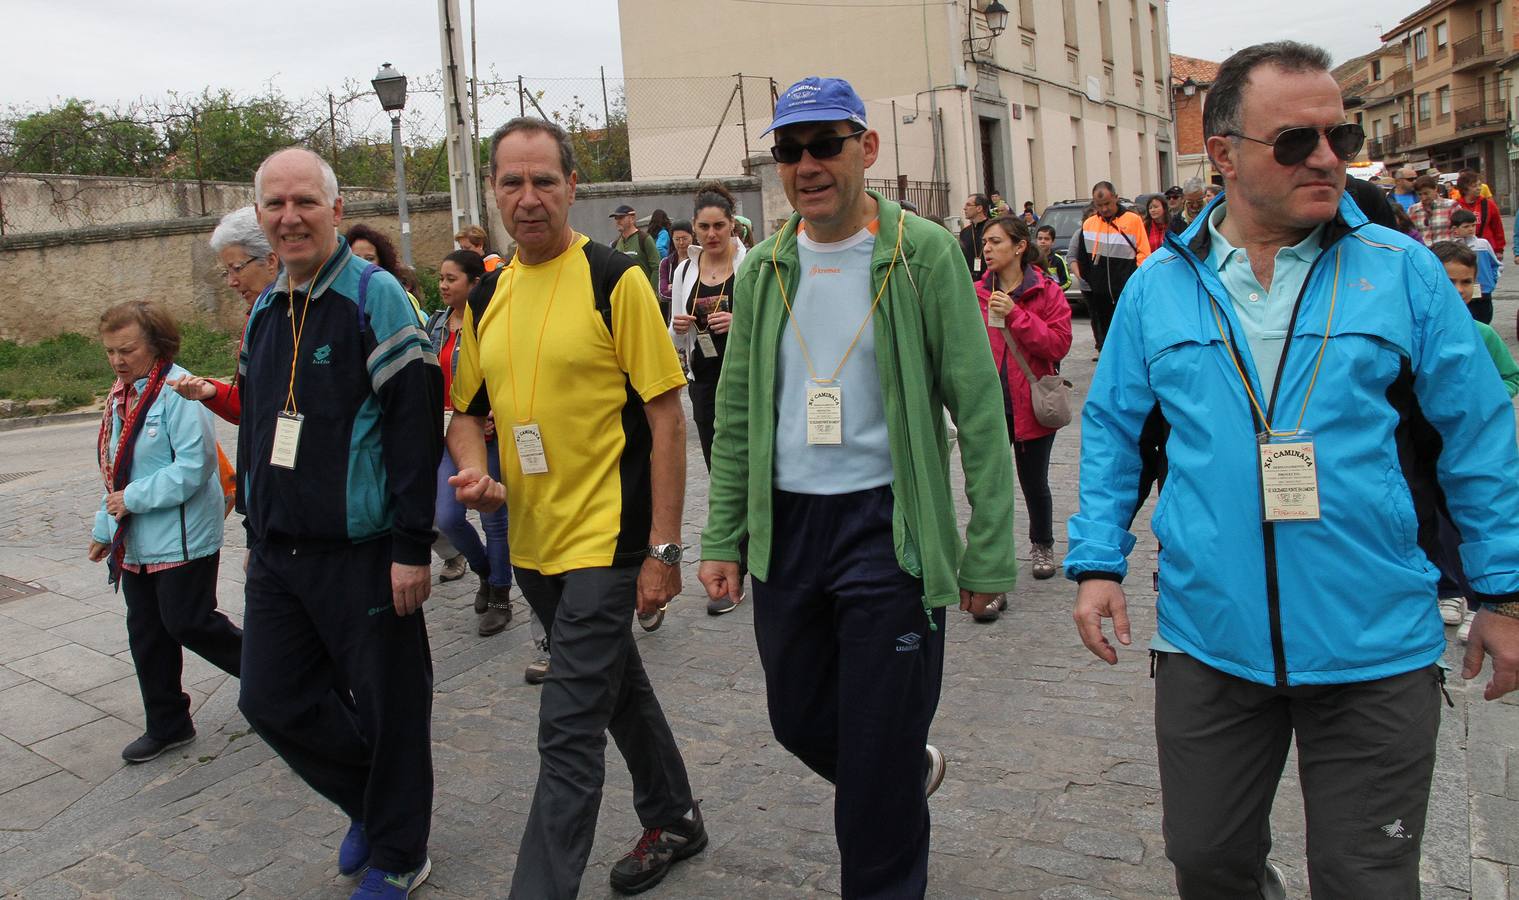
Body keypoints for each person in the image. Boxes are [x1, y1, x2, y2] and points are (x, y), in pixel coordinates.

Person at [1069, 41, 1519, 899]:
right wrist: (1096, 562)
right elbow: (1113, 430)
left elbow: (1478, 437)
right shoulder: (1162, 285)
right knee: (1206, 862)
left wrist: (1500, 595)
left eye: (1337, 137)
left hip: (1374, 642)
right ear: (1224, 153)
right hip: (1210, 639)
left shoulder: (1402, 269)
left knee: (1366, 879)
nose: (1325, 159)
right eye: (1295, 141)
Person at [697, 76, 1018, 898]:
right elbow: (734, 415)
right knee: (796, 718)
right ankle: (897, 769)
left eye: (823, 145)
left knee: (870, 780)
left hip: (889, 528)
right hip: (789, 529)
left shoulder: (924, 253)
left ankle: (884, 820)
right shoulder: (766, 267)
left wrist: (987, 550)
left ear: (865, 149)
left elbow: (978, 410)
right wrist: (722, 536)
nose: (805, 164)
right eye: (788, 150)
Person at [448, 117, 703, 897]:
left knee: (566, 729)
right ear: (493, 191)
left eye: (543, 182)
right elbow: (464, 410)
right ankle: (675, 817)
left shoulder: (613, 278)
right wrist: (472, 473)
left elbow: (665, 416)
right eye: (512, 183)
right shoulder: (487, 293)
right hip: (530, 542)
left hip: (607, 538)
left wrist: (663, 550)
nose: (528, 199)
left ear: (571, 189)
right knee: (616, 685)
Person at [235, 147, 441, 898]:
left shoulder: (372, 296)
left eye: (304, 203)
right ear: (260, 216)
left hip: (364, 552)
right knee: (269, 698)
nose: (289, 218)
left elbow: (414, 425)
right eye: (275, 205)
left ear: (334, 208)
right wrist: (253, 525)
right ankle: (375, 801)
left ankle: (399, 849)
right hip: (281, 552)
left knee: (389, 708)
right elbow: (260, 424)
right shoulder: (265, 303)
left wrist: (410, 546)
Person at [90, 301, 242, 764]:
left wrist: (131, 499)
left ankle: (281, 677)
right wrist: (105, 526)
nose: (118, 360)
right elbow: (115, 469)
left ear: (156, 345)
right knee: (147, 632)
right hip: (137, 540)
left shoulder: (179, 391)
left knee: (189, 622)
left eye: (127, 350)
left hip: (184, 537)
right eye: (111, 352)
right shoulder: (122, 395)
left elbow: (194, 469)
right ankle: (168, 723)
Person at [1428, 239, 1519, 642]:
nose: (1460, 290)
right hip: (1429, 446)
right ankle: (1447, 590)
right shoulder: (1417, 333)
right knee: (1433, 523)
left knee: (1468, 520)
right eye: (1451, 281)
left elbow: (1511, 376)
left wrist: (1484, 399)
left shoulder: (1482, 334)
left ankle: (1480, 599)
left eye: (1466, 282)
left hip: (1470, 444)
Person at [977, 216, 1072, 587]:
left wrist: (1016, 314)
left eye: (996, 242)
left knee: (1034, 482)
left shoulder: (1046, 291)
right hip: (989, 403)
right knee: (990, 485)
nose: (987, 249)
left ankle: (1043, 545)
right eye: (985, 242)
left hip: (1032, 402)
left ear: (1019, 247)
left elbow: (1057, 345)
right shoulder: (976, 291)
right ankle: (993, 559)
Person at [669, 183, 749, 616]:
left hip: (744, 377)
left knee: (748, 464)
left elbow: (770, 323)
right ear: (695, 228)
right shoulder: (685, 270)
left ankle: (745, 558)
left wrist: (739, 321)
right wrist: (680, 325)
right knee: (720, 469)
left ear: (732, 225)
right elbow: (673, 334)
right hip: (703, 377)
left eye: (720, 225)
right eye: (705, 226)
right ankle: (733, 555)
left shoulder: (750, 263)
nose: (712, 233)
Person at [425, 249, 513, 635]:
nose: (443, 286)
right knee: (446, 516)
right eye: (441, 279)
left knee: (495, 521)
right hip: (447, 433)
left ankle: (500, 594)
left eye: (451, 279)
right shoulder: (435, 325)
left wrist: (496, 409)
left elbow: (507, 373)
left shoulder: (493, 324)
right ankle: (484, 571)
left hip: (488, 432)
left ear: (474, 284)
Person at [168, 207, 279, 424]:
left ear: (271, 261)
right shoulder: (256, 317)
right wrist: (212, 392)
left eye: (237, 268)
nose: (231, 282)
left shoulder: (300, 317)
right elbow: (253, 406)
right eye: (226, 272)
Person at [1075, 181, 1150, 359]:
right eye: (1099, 205)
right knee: (1106, 337)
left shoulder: (1133, 220)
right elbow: (1082, 257)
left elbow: (1143, 252)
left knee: (1130, 334)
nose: (1104, 209)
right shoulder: (1089, 224)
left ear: (1116, 198)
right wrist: (1091, 281)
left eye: (1107, 204)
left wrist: (1135, 280)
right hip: (1100, 295)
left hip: (1126, 290)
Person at [346, 224, 428, 325]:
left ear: (381, 262)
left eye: (369, 259)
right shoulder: (338, 297)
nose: (362, 264)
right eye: (356, 258)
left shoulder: (398, 296)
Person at [1452, 208, 1502, 324]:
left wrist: (1492, 280)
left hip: (1484, 291)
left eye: (1473, 225)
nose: (1470, 229)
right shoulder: (1453, 247)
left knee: (1484, 320)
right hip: (1463, 292)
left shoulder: (1483, 244)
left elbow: (1496, 264)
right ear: (1455, 229)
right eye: (1466, 226)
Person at [1454, 169, 1506, 259]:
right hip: (1464, 251)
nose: (1479, 188)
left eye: (1479, 185)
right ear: (1465, 189)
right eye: (1474, 186)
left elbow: (1498, 228)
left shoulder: (1489, 204)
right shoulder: (1455, 205)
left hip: (1487, 249)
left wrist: (1499, 250)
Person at [609, 203, 661, 292]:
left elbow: (656, 267)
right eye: (616, 218)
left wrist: (651, 291)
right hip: (625, 294)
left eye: (621, 217)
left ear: (632, 219)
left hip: (643, 293)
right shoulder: (615, 244)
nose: (617, 221)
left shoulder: (644, 239)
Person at [656, 220, 694, 320]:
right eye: (677, 239)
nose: (681, 243)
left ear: (692, 236)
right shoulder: (666, 263)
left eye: (685, 238)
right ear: (672, 239)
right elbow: (662, 294)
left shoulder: (701, 259)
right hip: (674, 317)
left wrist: (674, 287)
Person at [1408, 173, 1458, 245]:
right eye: (1420, 194)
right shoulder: (1412, 210)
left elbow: (1460, 232)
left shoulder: (1451, 206)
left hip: (1448, 252)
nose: (1423, 198)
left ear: (1435, 188)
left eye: (1426, 193)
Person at [959, 193, 992, 275]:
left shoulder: (992, 228)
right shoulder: (964, 232)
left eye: (968, 205)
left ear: (979, 208)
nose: (964, 208)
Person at [1035, 224, 1071, 289]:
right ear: (1036, 240)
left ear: (1053, 241)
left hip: (1053, 297)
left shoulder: (1058, 260)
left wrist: (1055, 290)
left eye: (1046, 239)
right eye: (1040, 238)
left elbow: (1067, 282)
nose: (1042, 241)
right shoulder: (1031, 259)